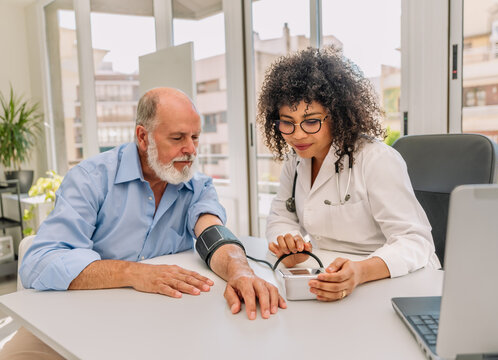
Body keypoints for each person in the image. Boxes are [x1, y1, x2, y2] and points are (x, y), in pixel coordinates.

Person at [1, 88, 285, 359]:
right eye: (177, 138)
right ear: (143, 136)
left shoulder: (196, 184)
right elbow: (39, 262)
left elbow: (211, 231)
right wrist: (135, 273)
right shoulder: (90, 179)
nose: (190, 150)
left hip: (159, 322)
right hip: (75, 313)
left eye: (195, 137)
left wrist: (240, 271)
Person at [258, 47, 441, 302]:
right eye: (287, 122)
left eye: (311, 121)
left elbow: (415, 241)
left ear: (337, 115)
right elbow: (281, 217)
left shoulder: (376, 159)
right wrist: (290, 244)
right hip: (328, 276)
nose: (297, 134)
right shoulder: (296, 161)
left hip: (394, 283)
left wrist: (360, 272)